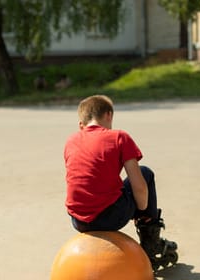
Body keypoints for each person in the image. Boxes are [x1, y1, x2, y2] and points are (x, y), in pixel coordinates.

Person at [64, 95, 178, 270]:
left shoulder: (71, 141)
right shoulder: (119, 137)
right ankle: (151, 242)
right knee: (145, 173)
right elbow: (139, 187)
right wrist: (142, 213)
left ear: (82, 124)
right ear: (109, 115)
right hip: (110, 218)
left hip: (78, 221)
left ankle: (148, 234)